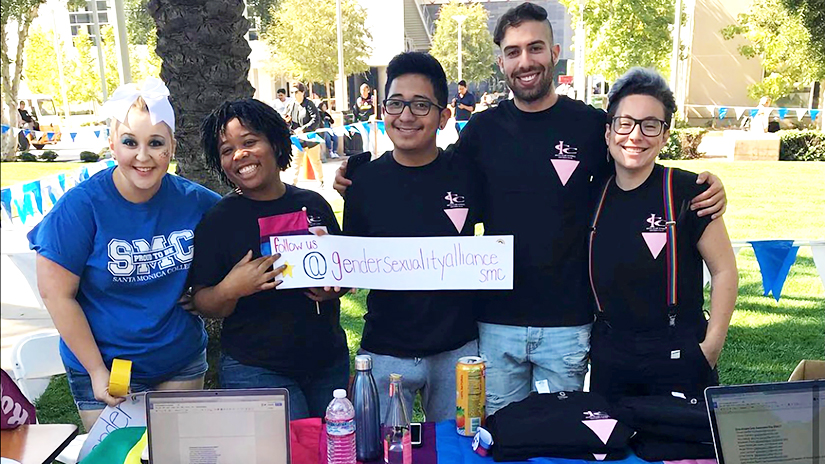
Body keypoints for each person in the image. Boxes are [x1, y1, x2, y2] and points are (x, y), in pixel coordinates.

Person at [335, 3, 727, 415]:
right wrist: (359, 174)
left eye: (535, 48)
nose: (525, 61)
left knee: (564, 437)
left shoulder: (591, 125)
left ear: (555, 52)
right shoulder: (482, 131)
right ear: (501, 60)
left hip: (569, 323)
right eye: (513, 51)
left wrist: (701, 185)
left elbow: (636, 158)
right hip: (495, 320)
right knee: (503, 435)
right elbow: (430, 173)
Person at [27, 78, 221, 431]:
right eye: (130, 142)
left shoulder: (197, 202)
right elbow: (56, 294)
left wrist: (208, 290)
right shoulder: (81, 207)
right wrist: (97, 371)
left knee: (177, 457)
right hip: (103, 366)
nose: (143, 156)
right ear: (113, 145)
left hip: (180, 360)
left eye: (156, 143)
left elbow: (245, 232)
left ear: (172, 147)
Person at [343, 52, 481, 422]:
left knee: (461, 452)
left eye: (421, 105)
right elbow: (351, 265)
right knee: (383, 451)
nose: (406, 115)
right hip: (386, 349)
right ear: (382, 110)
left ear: (443, 116)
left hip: (459, 348)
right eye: (396, 103)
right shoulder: (362, 183)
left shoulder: (469, 174)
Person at [191, 98, 349, 419]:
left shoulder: (314, 204)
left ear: (276, 143)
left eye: (249, 141)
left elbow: (343, 270)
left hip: (328, 362)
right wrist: (231, 288)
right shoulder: (218, 220)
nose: (239, 154)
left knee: (333, 448)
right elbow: (203, 301)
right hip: (256, 369)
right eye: (226, 150)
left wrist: (335, 287)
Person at [589, 68, 737, 399]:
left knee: (682, 449)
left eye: (650, 125)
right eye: (625, 123)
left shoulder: (689, 190)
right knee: (613, 448)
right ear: (609, 131)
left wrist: (711, 346)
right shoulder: (593, 192)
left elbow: (724, 269)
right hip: (610, 353)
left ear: (665, 135)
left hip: (678, 350)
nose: (635, 135)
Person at [288, 83, 324, 188]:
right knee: (296, 162)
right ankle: (293, 183)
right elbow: (290, 120)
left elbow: (316, 119)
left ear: (302, 92)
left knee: (315, 161)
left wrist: (304, 129)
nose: (294, 95)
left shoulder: (309, 104)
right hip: (298, 140)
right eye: (292, 92)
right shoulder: (292, 105)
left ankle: (321, 181)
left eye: (296, 92)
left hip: (311, 139)